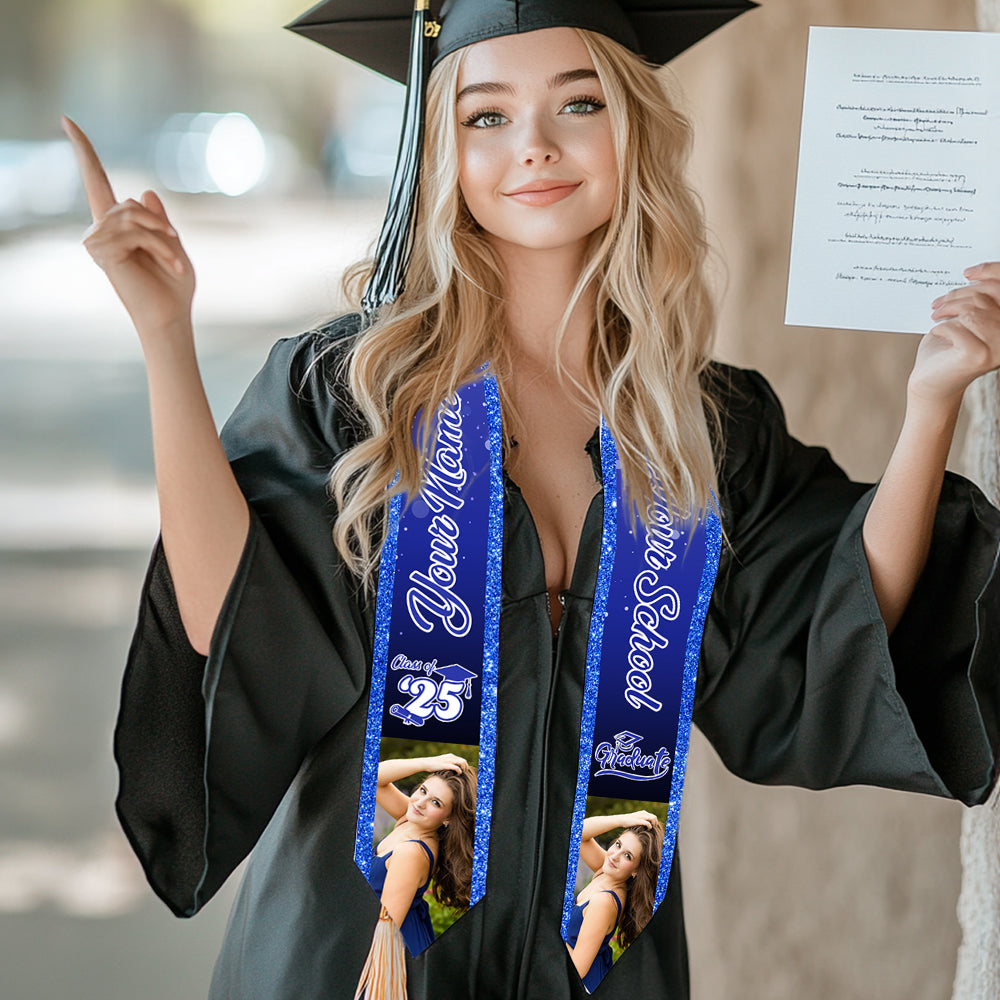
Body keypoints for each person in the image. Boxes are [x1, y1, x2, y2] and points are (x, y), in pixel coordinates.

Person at [62, 1, 1000, 998]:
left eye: (577, 103)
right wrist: (167, 339)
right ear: (443, 148)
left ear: (630, 124)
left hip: (601, 964)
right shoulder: (356, 394)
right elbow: (238, 624)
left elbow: (833, 627)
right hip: (358, 964)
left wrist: (931, 399)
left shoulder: (698, 428)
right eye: (487, 117)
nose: (535, 148)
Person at [370, 754, 477, 955]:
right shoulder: (410, 819)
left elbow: (384, 930)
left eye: (436, 803)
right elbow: (372, 776)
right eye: (423, 790)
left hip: (393, 953)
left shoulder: (412, 852)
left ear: (448, 819)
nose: (419, 802)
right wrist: (425, 763)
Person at [565, 811, 663, 991]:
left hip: (581, 988)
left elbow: (576, 971)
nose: (614, 855)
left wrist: (547, 928)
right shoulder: (606, 871)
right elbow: (576, 830)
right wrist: (622, 819)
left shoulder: (604, 902)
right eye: (618, 844)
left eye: (628, 856)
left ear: (636, 871)